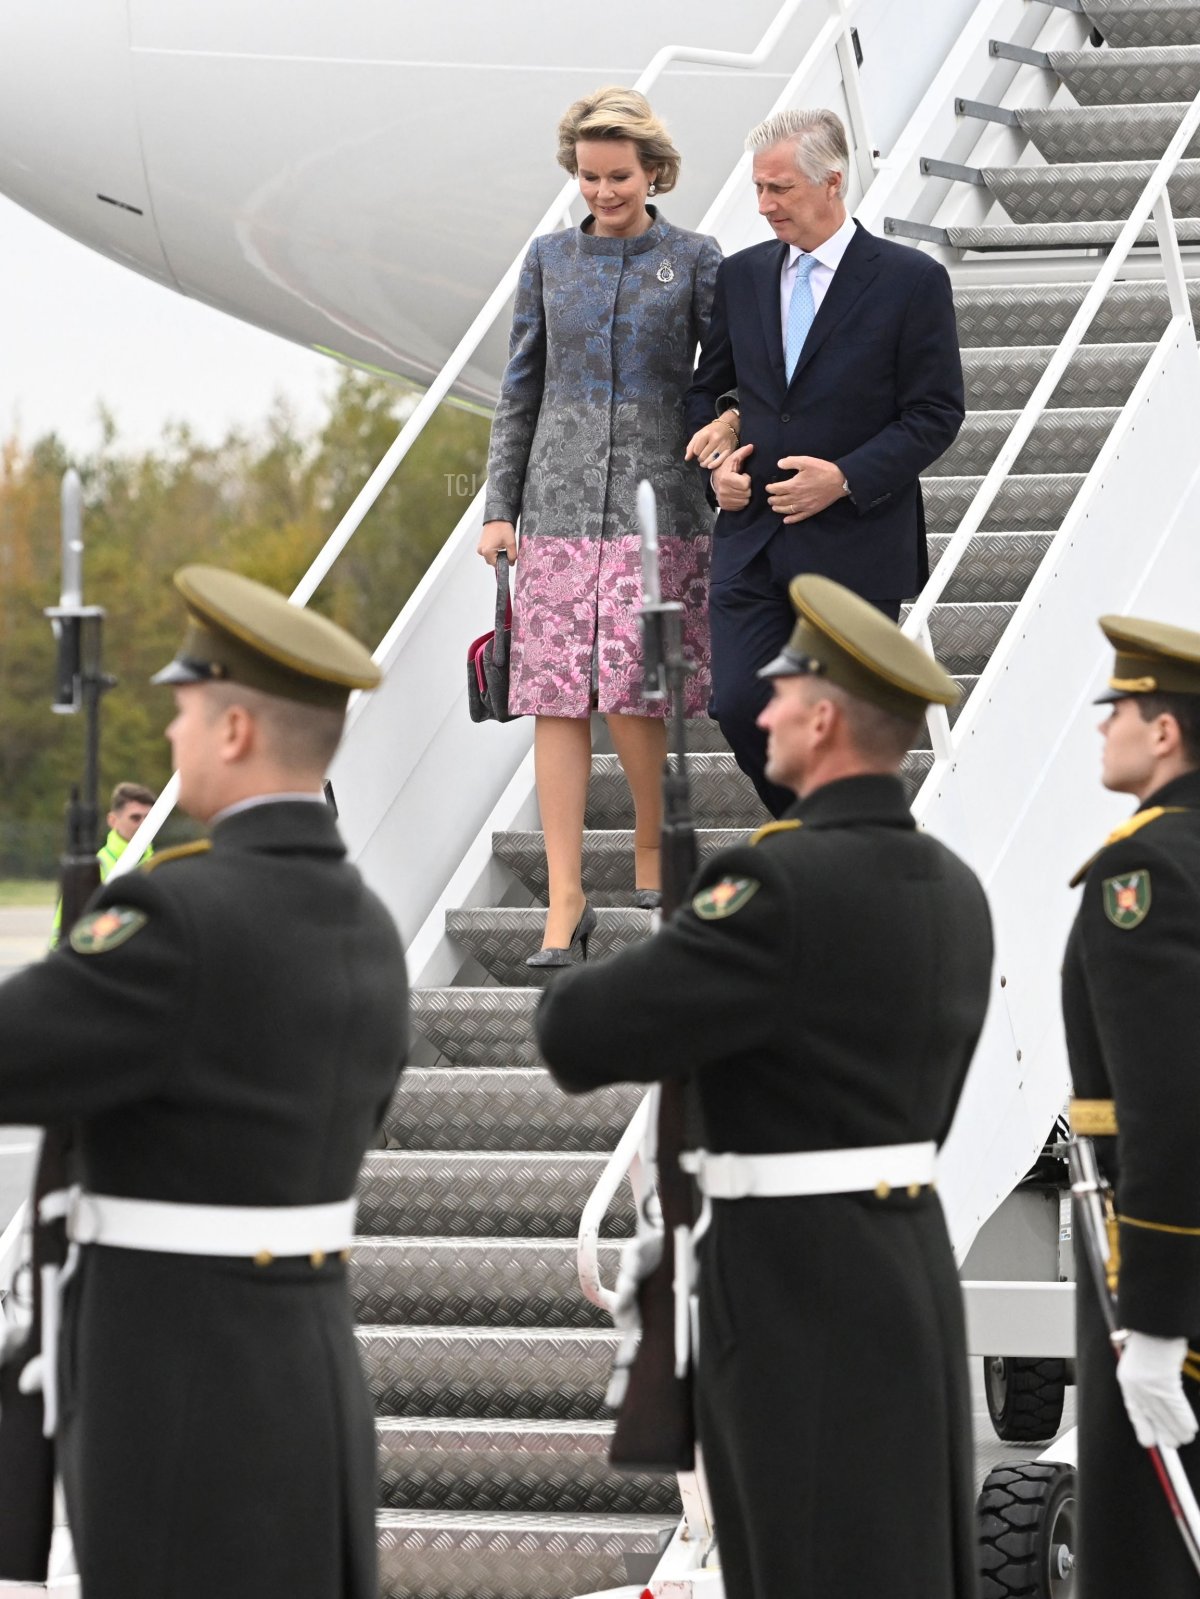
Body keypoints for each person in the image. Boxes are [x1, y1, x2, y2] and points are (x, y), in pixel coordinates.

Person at [536, 574, 992, 1599]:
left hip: (792, 1294)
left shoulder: (777, 887)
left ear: (825, 718)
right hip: (904, 1265)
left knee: (801, 1562)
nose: (761, 708)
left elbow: (577, 1033)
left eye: (780, 690)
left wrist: (686, 936)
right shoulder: (955, 889)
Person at [0, 565, 409, 1599]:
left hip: (178, 1392)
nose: (172, 740)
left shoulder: (174, 919)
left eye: (184, 713)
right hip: (310, 1375)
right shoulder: (366, 924)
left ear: (233, 731)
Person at [478, 85, 724, 961]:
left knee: (634, 684)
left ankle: (656, 848)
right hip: (556, 501)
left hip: (660, 501)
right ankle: (567, 898)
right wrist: (498, 508)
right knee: (552, 697)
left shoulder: (697, 259)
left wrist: (725, 437)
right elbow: (520, 391)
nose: (602, 191)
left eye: (618, 176)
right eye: (588, 176)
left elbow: (721, 377)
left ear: (652, 171)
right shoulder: (547, 260)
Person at [684, 107, 965, 817]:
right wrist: (716, 467)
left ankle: (841, 846)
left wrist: (844, 478)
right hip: (749, 544)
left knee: (827, 726)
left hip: (854, 546)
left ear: (832, 182)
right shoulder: (743, 277)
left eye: (778, 188)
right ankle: (823, 833)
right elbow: (706, 392)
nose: (764, 204)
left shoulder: (911, 280)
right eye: (758, 188)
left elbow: (936, 413)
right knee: (741, 704)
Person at [1062, 613, 1200, 1599]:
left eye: (1119, 708)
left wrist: (1152, 1320)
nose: (1101, 725)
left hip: (1161, 1264)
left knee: (1150, 1554)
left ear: (1165, 733)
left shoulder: (1142, 870)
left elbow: (1166, 1101)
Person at [49, 781, 157, 947]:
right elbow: (62, 933)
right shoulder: (93, 868)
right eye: (135, 818)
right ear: (113, 820)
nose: (144, 824)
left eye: (149, 818)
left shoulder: (160, 867)